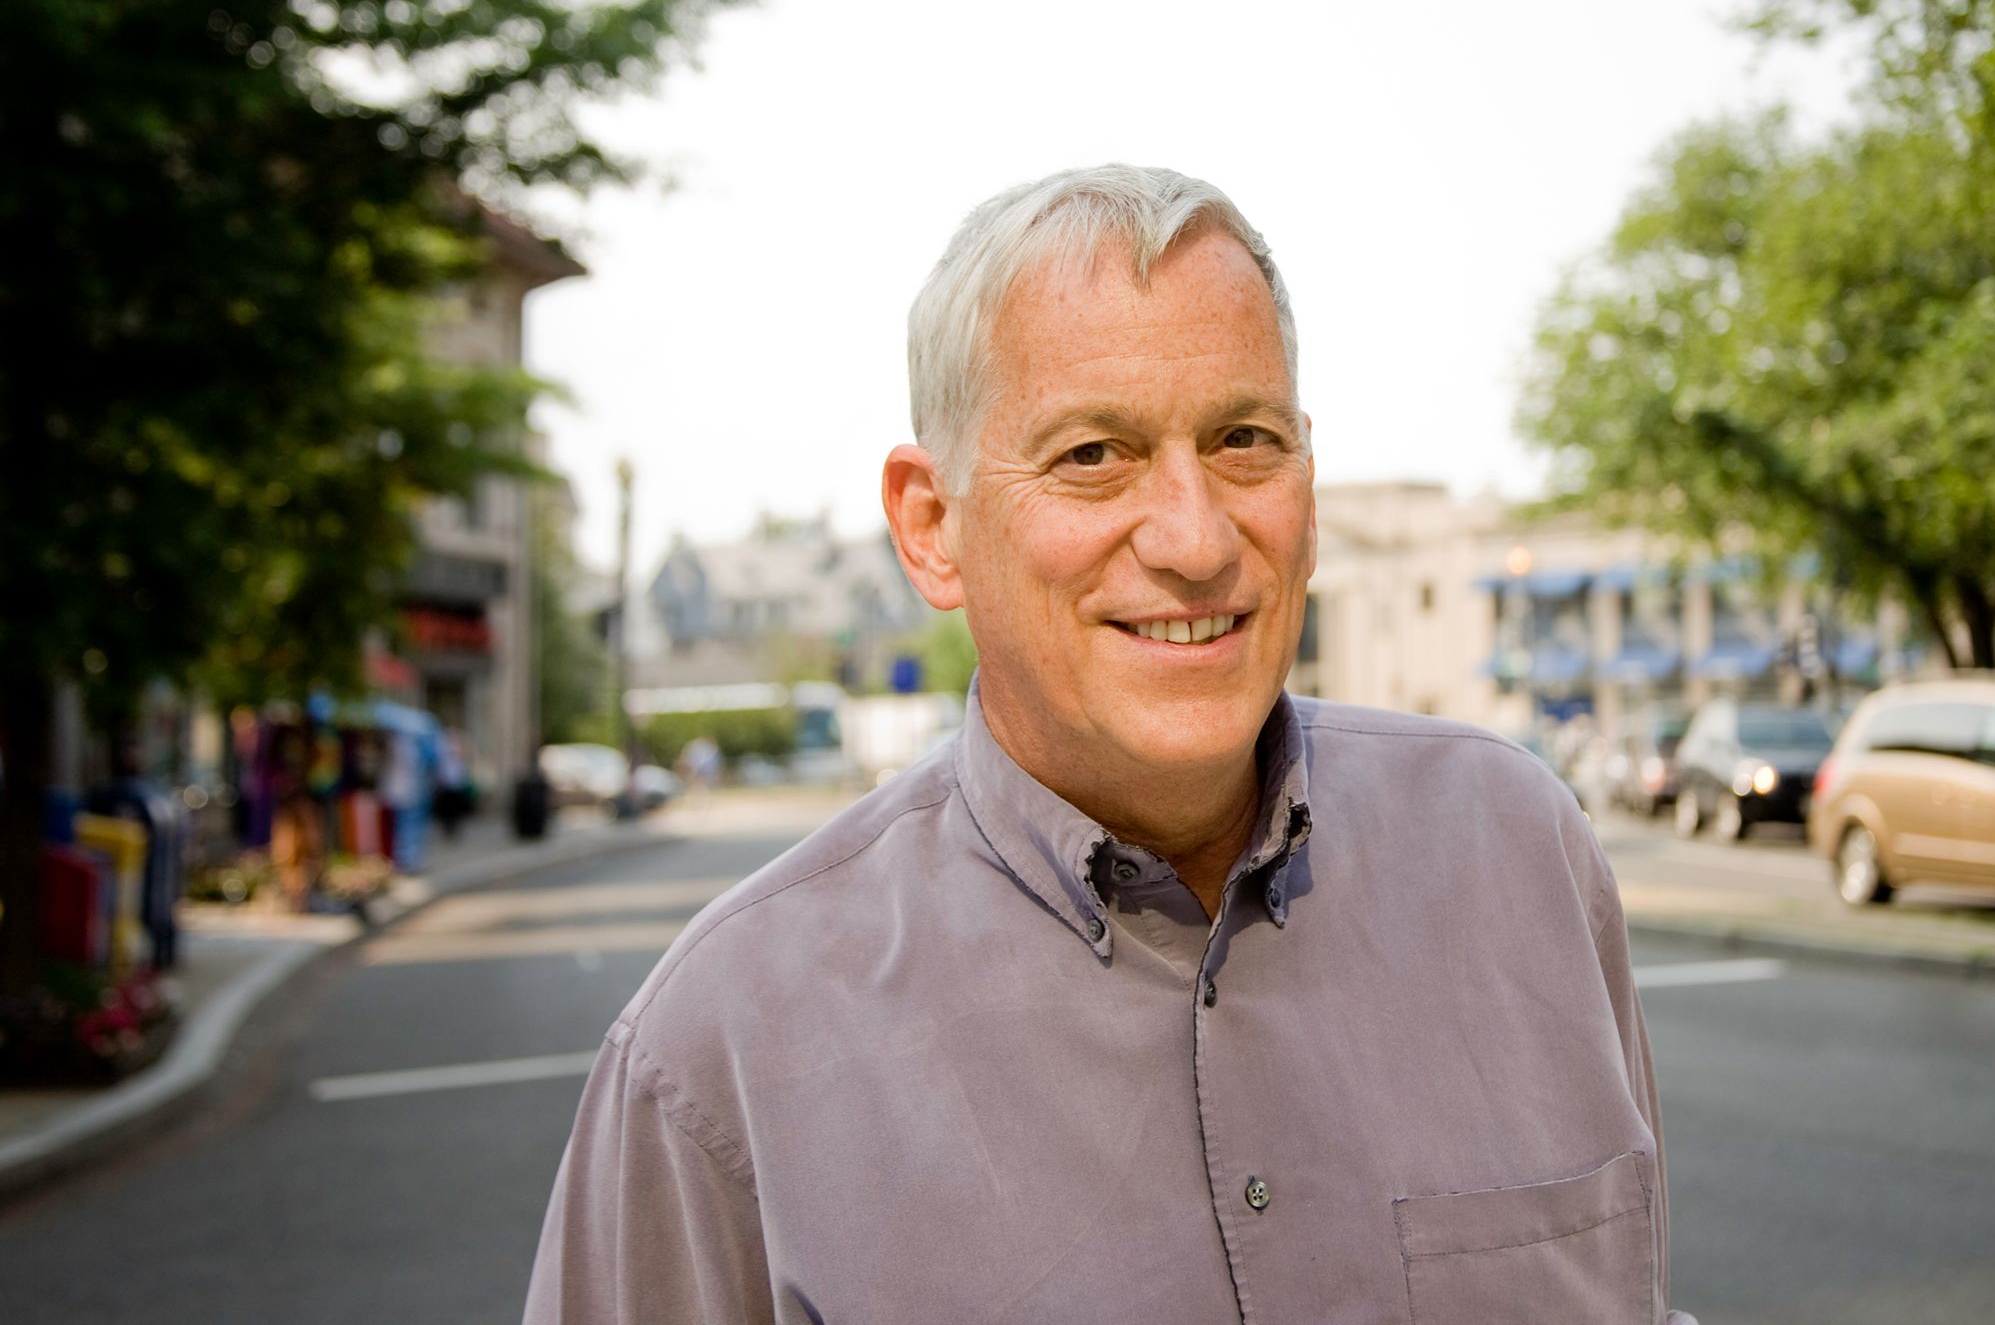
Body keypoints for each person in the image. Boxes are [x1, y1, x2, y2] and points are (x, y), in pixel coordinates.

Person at [524, 166, 1695, 1323]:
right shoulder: (717, 1055)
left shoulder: (1522, 850)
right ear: (933, 527)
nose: (1193, 538)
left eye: (1244, 438)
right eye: (1093, 454)